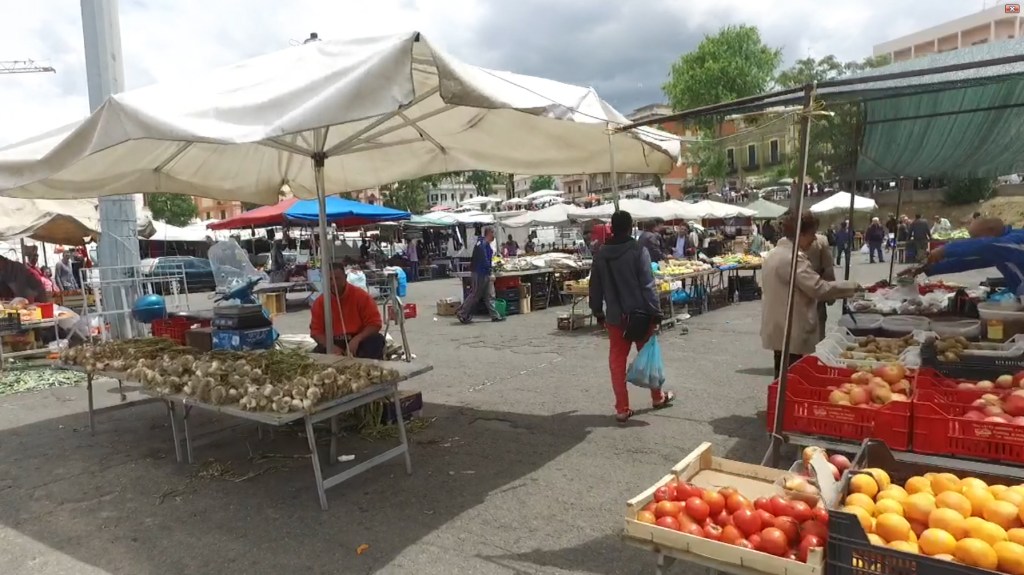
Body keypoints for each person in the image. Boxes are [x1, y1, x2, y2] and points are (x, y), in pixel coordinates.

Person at [589, 210, 674, 423]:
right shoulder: (638, 251)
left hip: (615, 317)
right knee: (648, 356)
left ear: (612, 227)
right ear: (629, 228)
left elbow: (595, 286)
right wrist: (656, 312)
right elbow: (648, 285)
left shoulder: (601, 254)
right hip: (640, 315)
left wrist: (597, 310)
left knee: (617, 361)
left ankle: (622, 408)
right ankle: (657, 397)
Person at [761, 213, 859, 376]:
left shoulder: (774, 253)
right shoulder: (792, 258)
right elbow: (819, 288)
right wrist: (852, 287)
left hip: (778, 324)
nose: (814, 239)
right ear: (800, 234)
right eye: (812, 234)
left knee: (782, 373)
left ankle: (780, 400)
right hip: (791, 326)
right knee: (792, 375)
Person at [901, 218, 1024, 295]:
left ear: (991, 230)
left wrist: (944, 250)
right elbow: (967, 262)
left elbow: (986, 245)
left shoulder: (1015, 241)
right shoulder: (999, 251)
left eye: (976, 238)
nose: (973, 241)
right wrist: (926, 268)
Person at [309, 263, 385, 358]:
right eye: (330, 279)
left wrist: (357, 339)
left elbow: (375, 324)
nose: (333, 283)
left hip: (359, 340)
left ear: (345, 277)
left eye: (337, 278)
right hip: (334, 342)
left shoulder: (361, 296)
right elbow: (316, 332)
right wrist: (331, 346)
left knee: (376, 340)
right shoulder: (320, 302)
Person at [457, 226, 503, 323]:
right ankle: (462, 312)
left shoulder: (486, 245)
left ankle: (495, 315)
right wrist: (490, 271)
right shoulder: (481, 244)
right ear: (489, 233)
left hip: (485, 273)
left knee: (489, 295)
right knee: (475, 294)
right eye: (493, 233)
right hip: (479, 273)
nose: (494, 236)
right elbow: (484, 260)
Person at [804, 230, 837, 342]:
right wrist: (831, 295)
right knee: (818, 329)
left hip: (798, 294)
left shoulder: (788, 242)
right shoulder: (821, 241)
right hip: (816, 291)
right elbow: (828, 268)